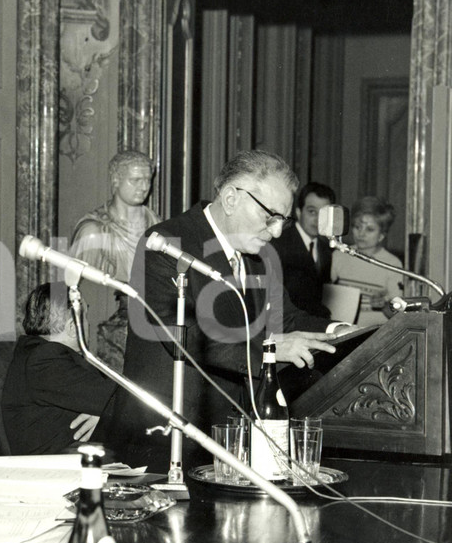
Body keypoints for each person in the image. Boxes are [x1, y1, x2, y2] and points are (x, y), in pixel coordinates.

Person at [120, 150, 341, 469]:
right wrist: (270, 350)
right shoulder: (168, 244)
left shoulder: (260, 255)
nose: (277, 232)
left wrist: (340, 331)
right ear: (231, 198)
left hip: (232, 436)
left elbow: (284, 318)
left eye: (283, 220)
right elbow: (185, 337)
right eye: (270, 216)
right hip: (166, 439)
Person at [0, 282, 121, 455]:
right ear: (72, 327)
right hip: (54, 467)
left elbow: (110, 398)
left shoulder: (37, 353)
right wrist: (104, 411)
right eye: (86, 317)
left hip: (70, 458)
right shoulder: (44, 359)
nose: (88, 324)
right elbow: (120, 399)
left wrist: (102, 411)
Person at [71, 151, 160, 371]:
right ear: (115, 180)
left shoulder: (157, 226)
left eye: (147, 180)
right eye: (135, 180)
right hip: (106, 323)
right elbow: (72, 286)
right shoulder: (93, 232)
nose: (143, 187)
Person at [331, 196, 403, 326]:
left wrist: (384, 305)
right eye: (357, 227)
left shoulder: (393, 264)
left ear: (381, 235)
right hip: (341, 329)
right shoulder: (339, 255)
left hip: (376, 332)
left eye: (369, 229)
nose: (361, 234)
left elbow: (399, 314)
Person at [269, 181, 336, 317]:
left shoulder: (327, 248)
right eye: (312, 212)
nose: (318, 220)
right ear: (298, 212)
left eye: (324, 214)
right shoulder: (278, 244)